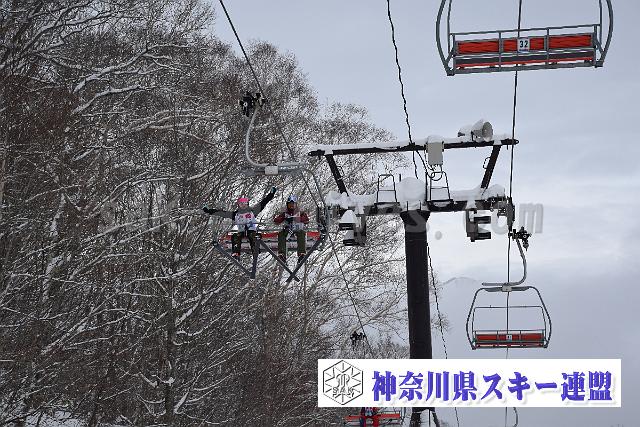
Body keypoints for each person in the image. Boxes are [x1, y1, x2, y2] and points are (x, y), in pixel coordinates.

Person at [203, 187, 276, 257]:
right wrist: (209, 211)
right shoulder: (236, 214)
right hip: (241, 232)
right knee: (235, 236)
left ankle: (255, 250)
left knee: (253, 236)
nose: (243, 205)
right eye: (241, 204)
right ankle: (236, 252)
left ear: (247, 204)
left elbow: (263, 202)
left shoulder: (253, 211)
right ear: (239, 205)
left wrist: (271, 194)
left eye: (245, 203)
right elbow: (222, 213)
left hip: (251, 231)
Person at [273, 195, 309, 264]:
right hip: (288, 230)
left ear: (296, 204)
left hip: (297, 229)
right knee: (281, 234)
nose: (292, 206)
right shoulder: (285, 213)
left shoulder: (300, 212)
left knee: (302, 233)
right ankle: (282, 255)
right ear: (287, 205)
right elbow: (276, 221)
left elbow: (306, 220)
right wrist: (284, 218)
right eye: (290, 205)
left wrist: (298, 218)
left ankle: (301, 254)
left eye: (293, 204)